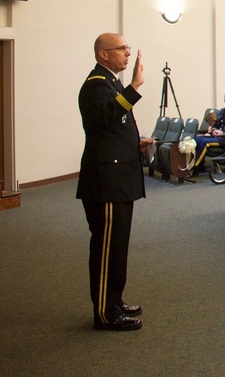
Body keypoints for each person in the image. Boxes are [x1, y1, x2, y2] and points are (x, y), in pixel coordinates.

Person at [77, 33, 151, 331]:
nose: (128, 53)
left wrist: (136, 142)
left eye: (128, 48)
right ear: (103, 54)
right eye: (122, 49)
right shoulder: (96, 84)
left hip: (119, 177)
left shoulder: (110, 82)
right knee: (107, 247)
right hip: (106, 180)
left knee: (118, 245)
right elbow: (103, 120)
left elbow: (114, 129)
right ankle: (105, 314)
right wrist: (134, 87)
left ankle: (114, 301)